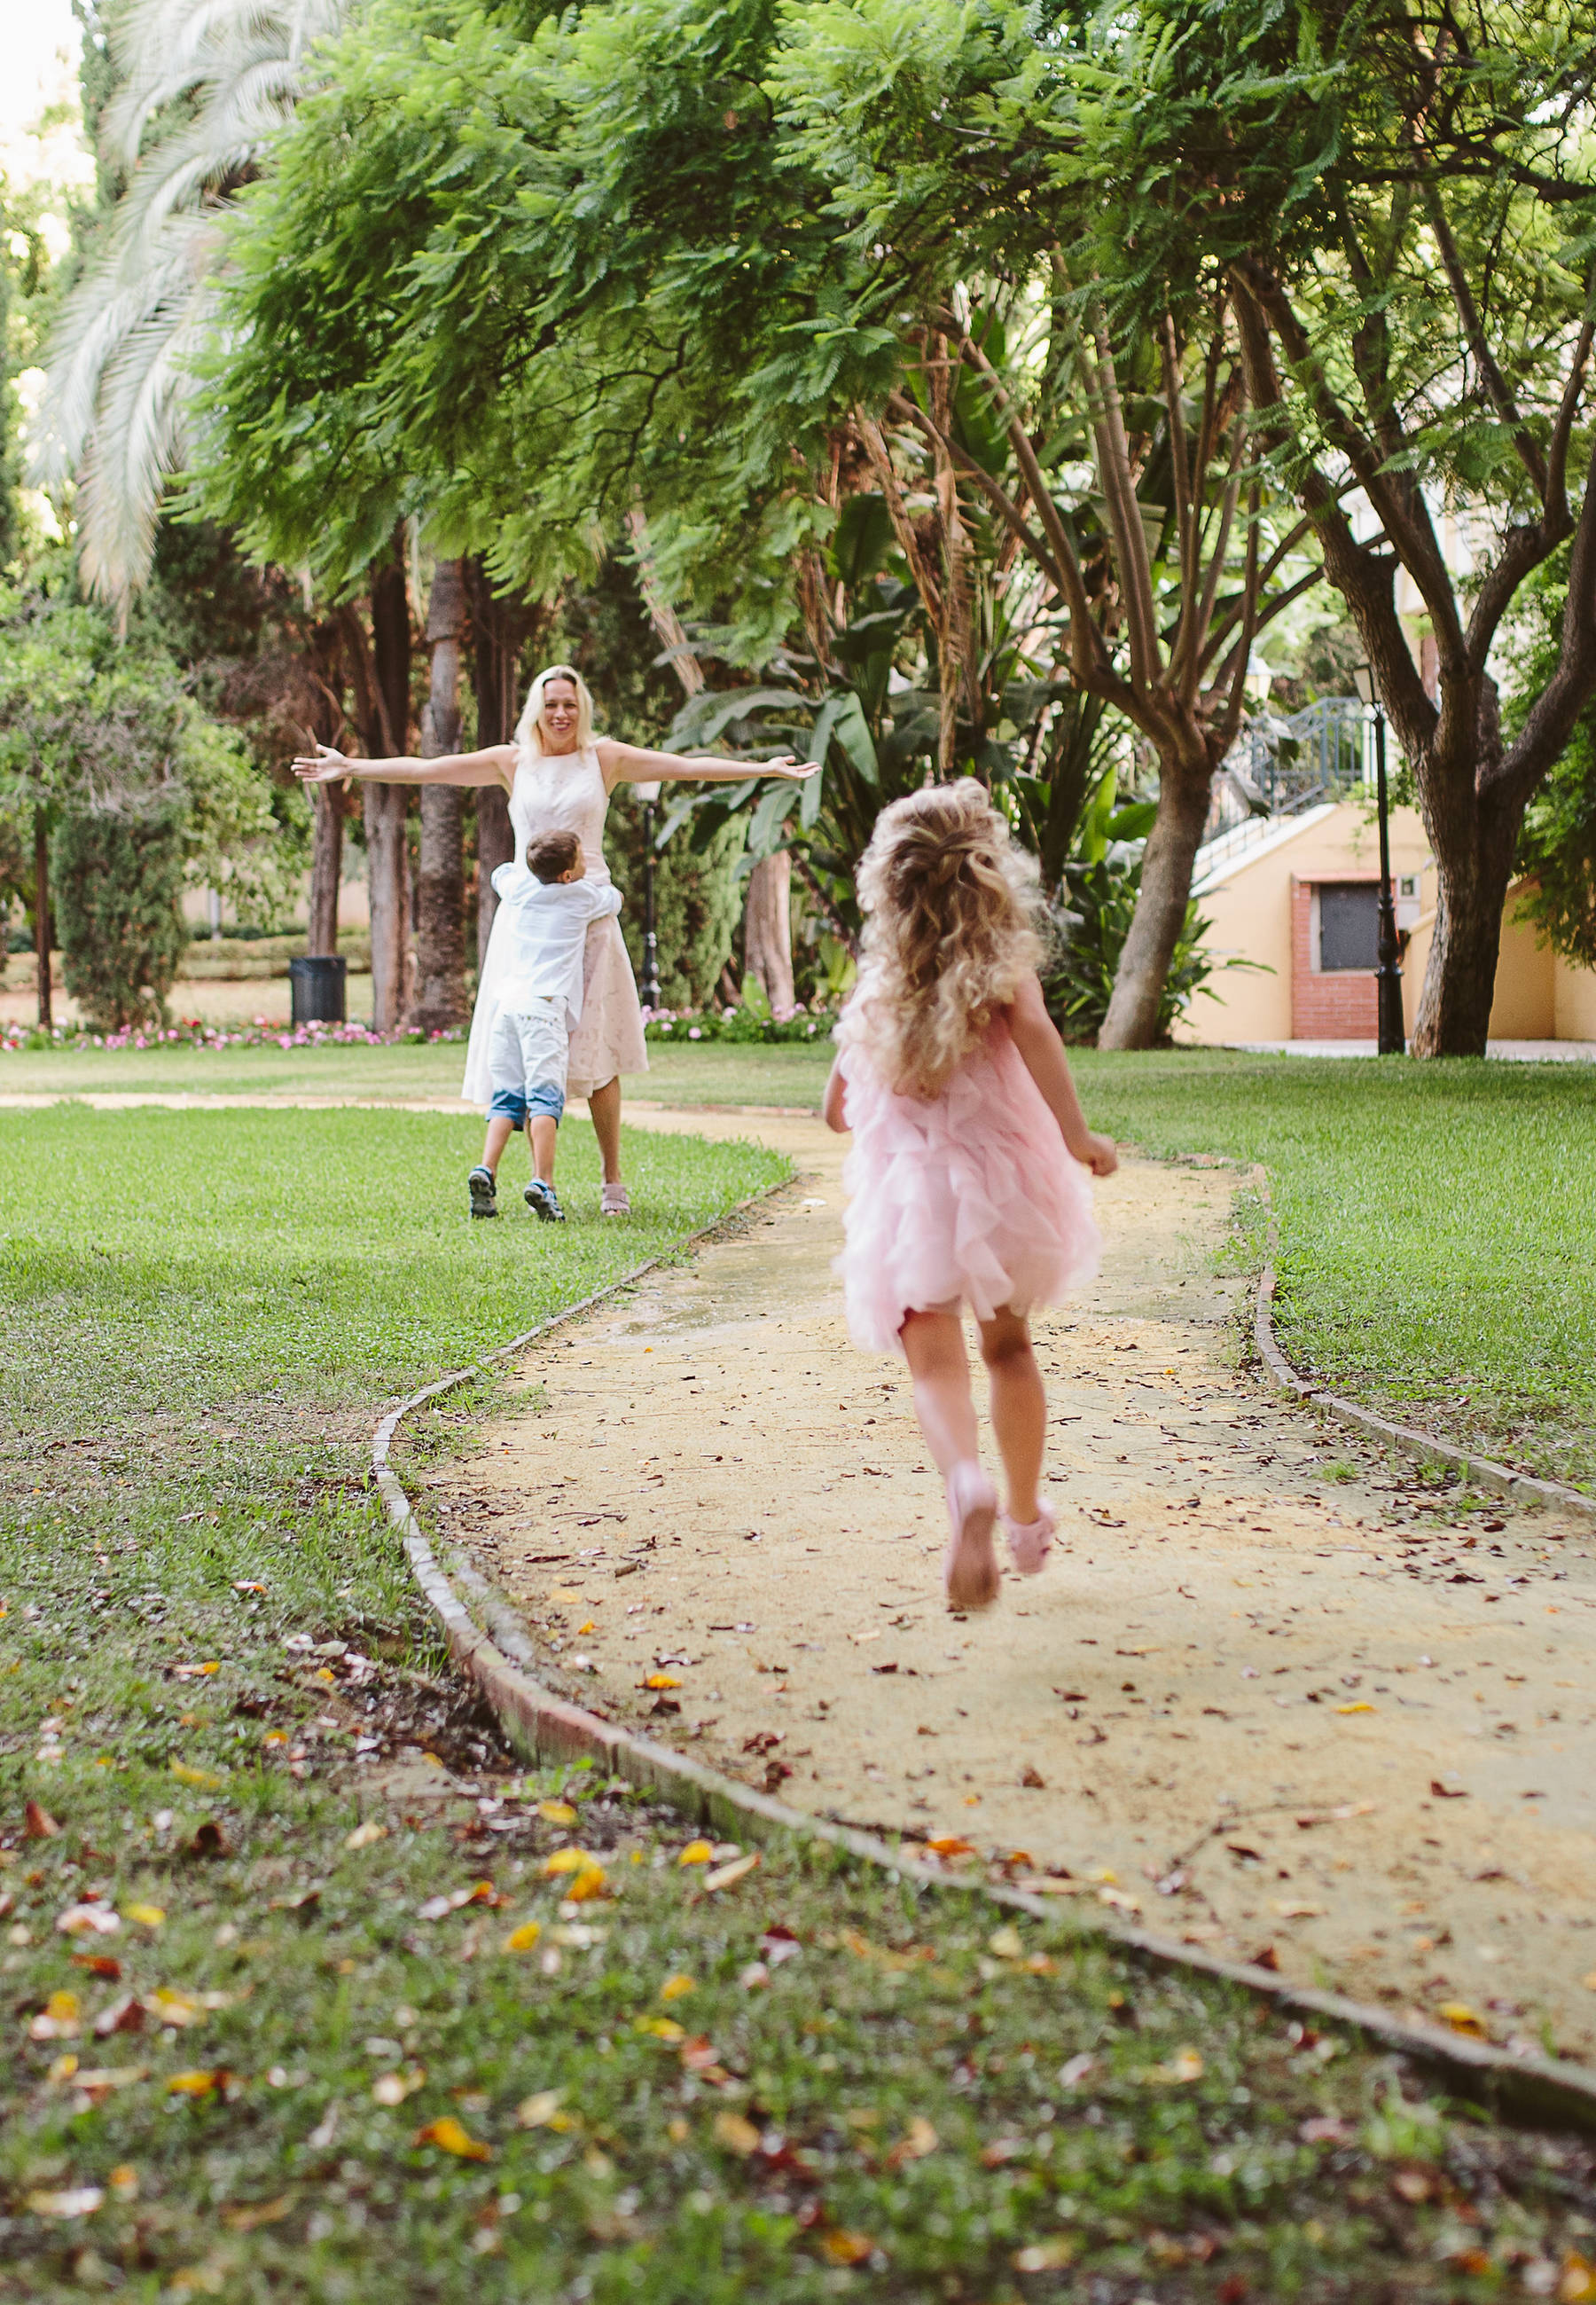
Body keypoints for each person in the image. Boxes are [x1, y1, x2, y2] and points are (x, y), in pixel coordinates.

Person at [294, 662, 811, 1212]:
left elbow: (684, 766)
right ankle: (509, 1174)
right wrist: (352, 765)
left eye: (569, 703)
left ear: (581, 707)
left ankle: (613, 1182)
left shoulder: (604, 758)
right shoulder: (511, 762)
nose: (561, 713)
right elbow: (429, 769)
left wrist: (764, 770)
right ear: (536, 710)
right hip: (528, 926)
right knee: (520, 1050)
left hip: (589, 924)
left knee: (600, 1050)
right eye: (551, 704)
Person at [821, 780, 1118, 1613]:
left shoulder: (880, 981)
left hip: (912, 1200)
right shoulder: (1001, 967)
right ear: (986, 873)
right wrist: (1076, 1135)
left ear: (893, 883)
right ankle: (1024, 1517)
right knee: (1009, 1349)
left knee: (932, 1356)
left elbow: (837, 1108)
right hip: (1001, 1188)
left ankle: (963, 1481)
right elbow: (1037, 1035)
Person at [469, 828, 620, 1224]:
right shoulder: (581, 897)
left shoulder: (520, 890)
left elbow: (500, 873)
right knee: (545, 1099)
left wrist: (527, 864)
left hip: (507, 1008)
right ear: (569, 875)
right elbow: (614, 899)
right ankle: (544, 1182)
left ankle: (486, 1169)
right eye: (581, 859)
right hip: (544, 1010)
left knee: (507, 1095)